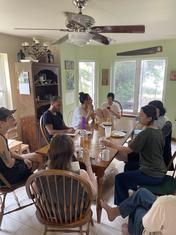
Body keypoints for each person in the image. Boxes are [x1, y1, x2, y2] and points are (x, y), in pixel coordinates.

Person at [101, 105, 167, 205]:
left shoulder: (146, 133)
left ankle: (122, 207)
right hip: (160, 169)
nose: (138, 117)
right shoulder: (158, 130)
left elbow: (127, 150)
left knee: (119, 179)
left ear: (149, 118)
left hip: (152, 174)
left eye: (141, 116)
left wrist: (109, 144)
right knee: (129, 165)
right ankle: (132, 189)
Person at [101, 187, 176, 235]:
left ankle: (130, 231)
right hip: (168, 206)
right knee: (141, 193)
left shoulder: (165, 202)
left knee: (137, 206)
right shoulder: (167, 202)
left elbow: (147, 224)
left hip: (150, 229)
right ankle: (114, 212)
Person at [0, 107, 43, 186]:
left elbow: (9, 153)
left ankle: (37, 186)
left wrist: (23, 158)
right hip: (9, 176)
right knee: (38, 160)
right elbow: (9, 164)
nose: (14, 119)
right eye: (10, 117)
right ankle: (37, 187)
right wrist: (22, 161)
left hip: (9, 170)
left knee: (37, 156)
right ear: (1, 123)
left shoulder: (3, 135)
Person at [125, 100, 172, 171]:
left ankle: (134, 170)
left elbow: (156, 141)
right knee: (130, 148)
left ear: (159, 110)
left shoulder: (165, 123)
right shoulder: (155, 118)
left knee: (130, 152)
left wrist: (137, 142)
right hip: (152, 148)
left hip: (158, 154)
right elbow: (138, 123)